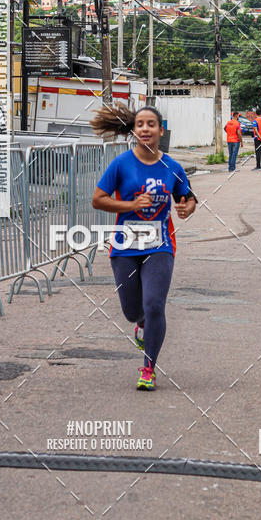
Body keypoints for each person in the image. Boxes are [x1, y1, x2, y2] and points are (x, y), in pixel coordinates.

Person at [91, 104, 197, 391]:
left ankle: (149, 367)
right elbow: (98, 199)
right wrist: (130, 205)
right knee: (132, 310)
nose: (146, 129)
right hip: (125, 246)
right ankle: (140, 324)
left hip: (160, 245)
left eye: (152, 124)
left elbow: (188, 198)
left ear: (161, 131)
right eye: (140, 124)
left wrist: (187, 208)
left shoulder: (172, 167)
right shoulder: (121, 164)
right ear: (134, 130)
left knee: (154, 305)